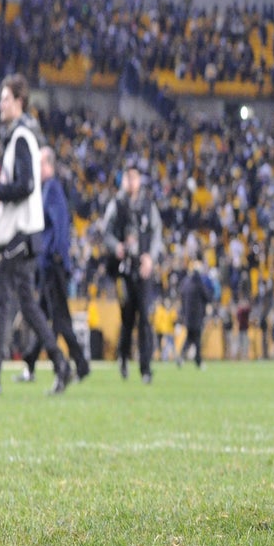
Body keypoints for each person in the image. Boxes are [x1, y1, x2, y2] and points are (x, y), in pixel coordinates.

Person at [0, 75, 73, 396]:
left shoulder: (22, 137)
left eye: (5, 98)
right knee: (26, 305)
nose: (0, 104)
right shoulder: (20, 137)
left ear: (19, 102)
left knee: (2, 303)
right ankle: (60, 364)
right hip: (22, 236)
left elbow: (27, 185)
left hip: (19, 235)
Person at [19, 146, 90, 383]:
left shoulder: (52, 190)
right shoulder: (48, 190)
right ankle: (31, 361)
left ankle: (78, 365)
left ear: (48, 164)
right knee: (44, 316)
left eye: (40, 164)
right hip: (49, 263)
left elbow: (60, 227)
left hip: (52, 264)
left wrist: (57, 257)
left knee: (59, 319)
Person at [101, 160, 163, 384]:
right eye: (128, 177)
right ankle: (124, 358)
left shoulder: (148, 205)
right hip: (123, 270)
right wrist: (116, 246)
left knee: (145, 317)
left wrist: (150, 258)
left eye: (134, 177)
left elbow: (157, 235)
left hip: (143, 269)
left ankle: (145, 368)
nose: (131, 181)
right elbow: (105, 232)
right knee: (127, 318)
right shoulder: (116, 205)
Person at [177, 260, 214, 369]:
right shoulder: (199, 283)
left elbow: (182, 296)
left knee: (189, 338)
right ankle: (198, 361)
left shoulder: (186, 283)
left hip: (188, 316)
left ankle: (182, 356)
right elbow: (207, 296)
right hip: (197, 316)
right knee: (196, 339)